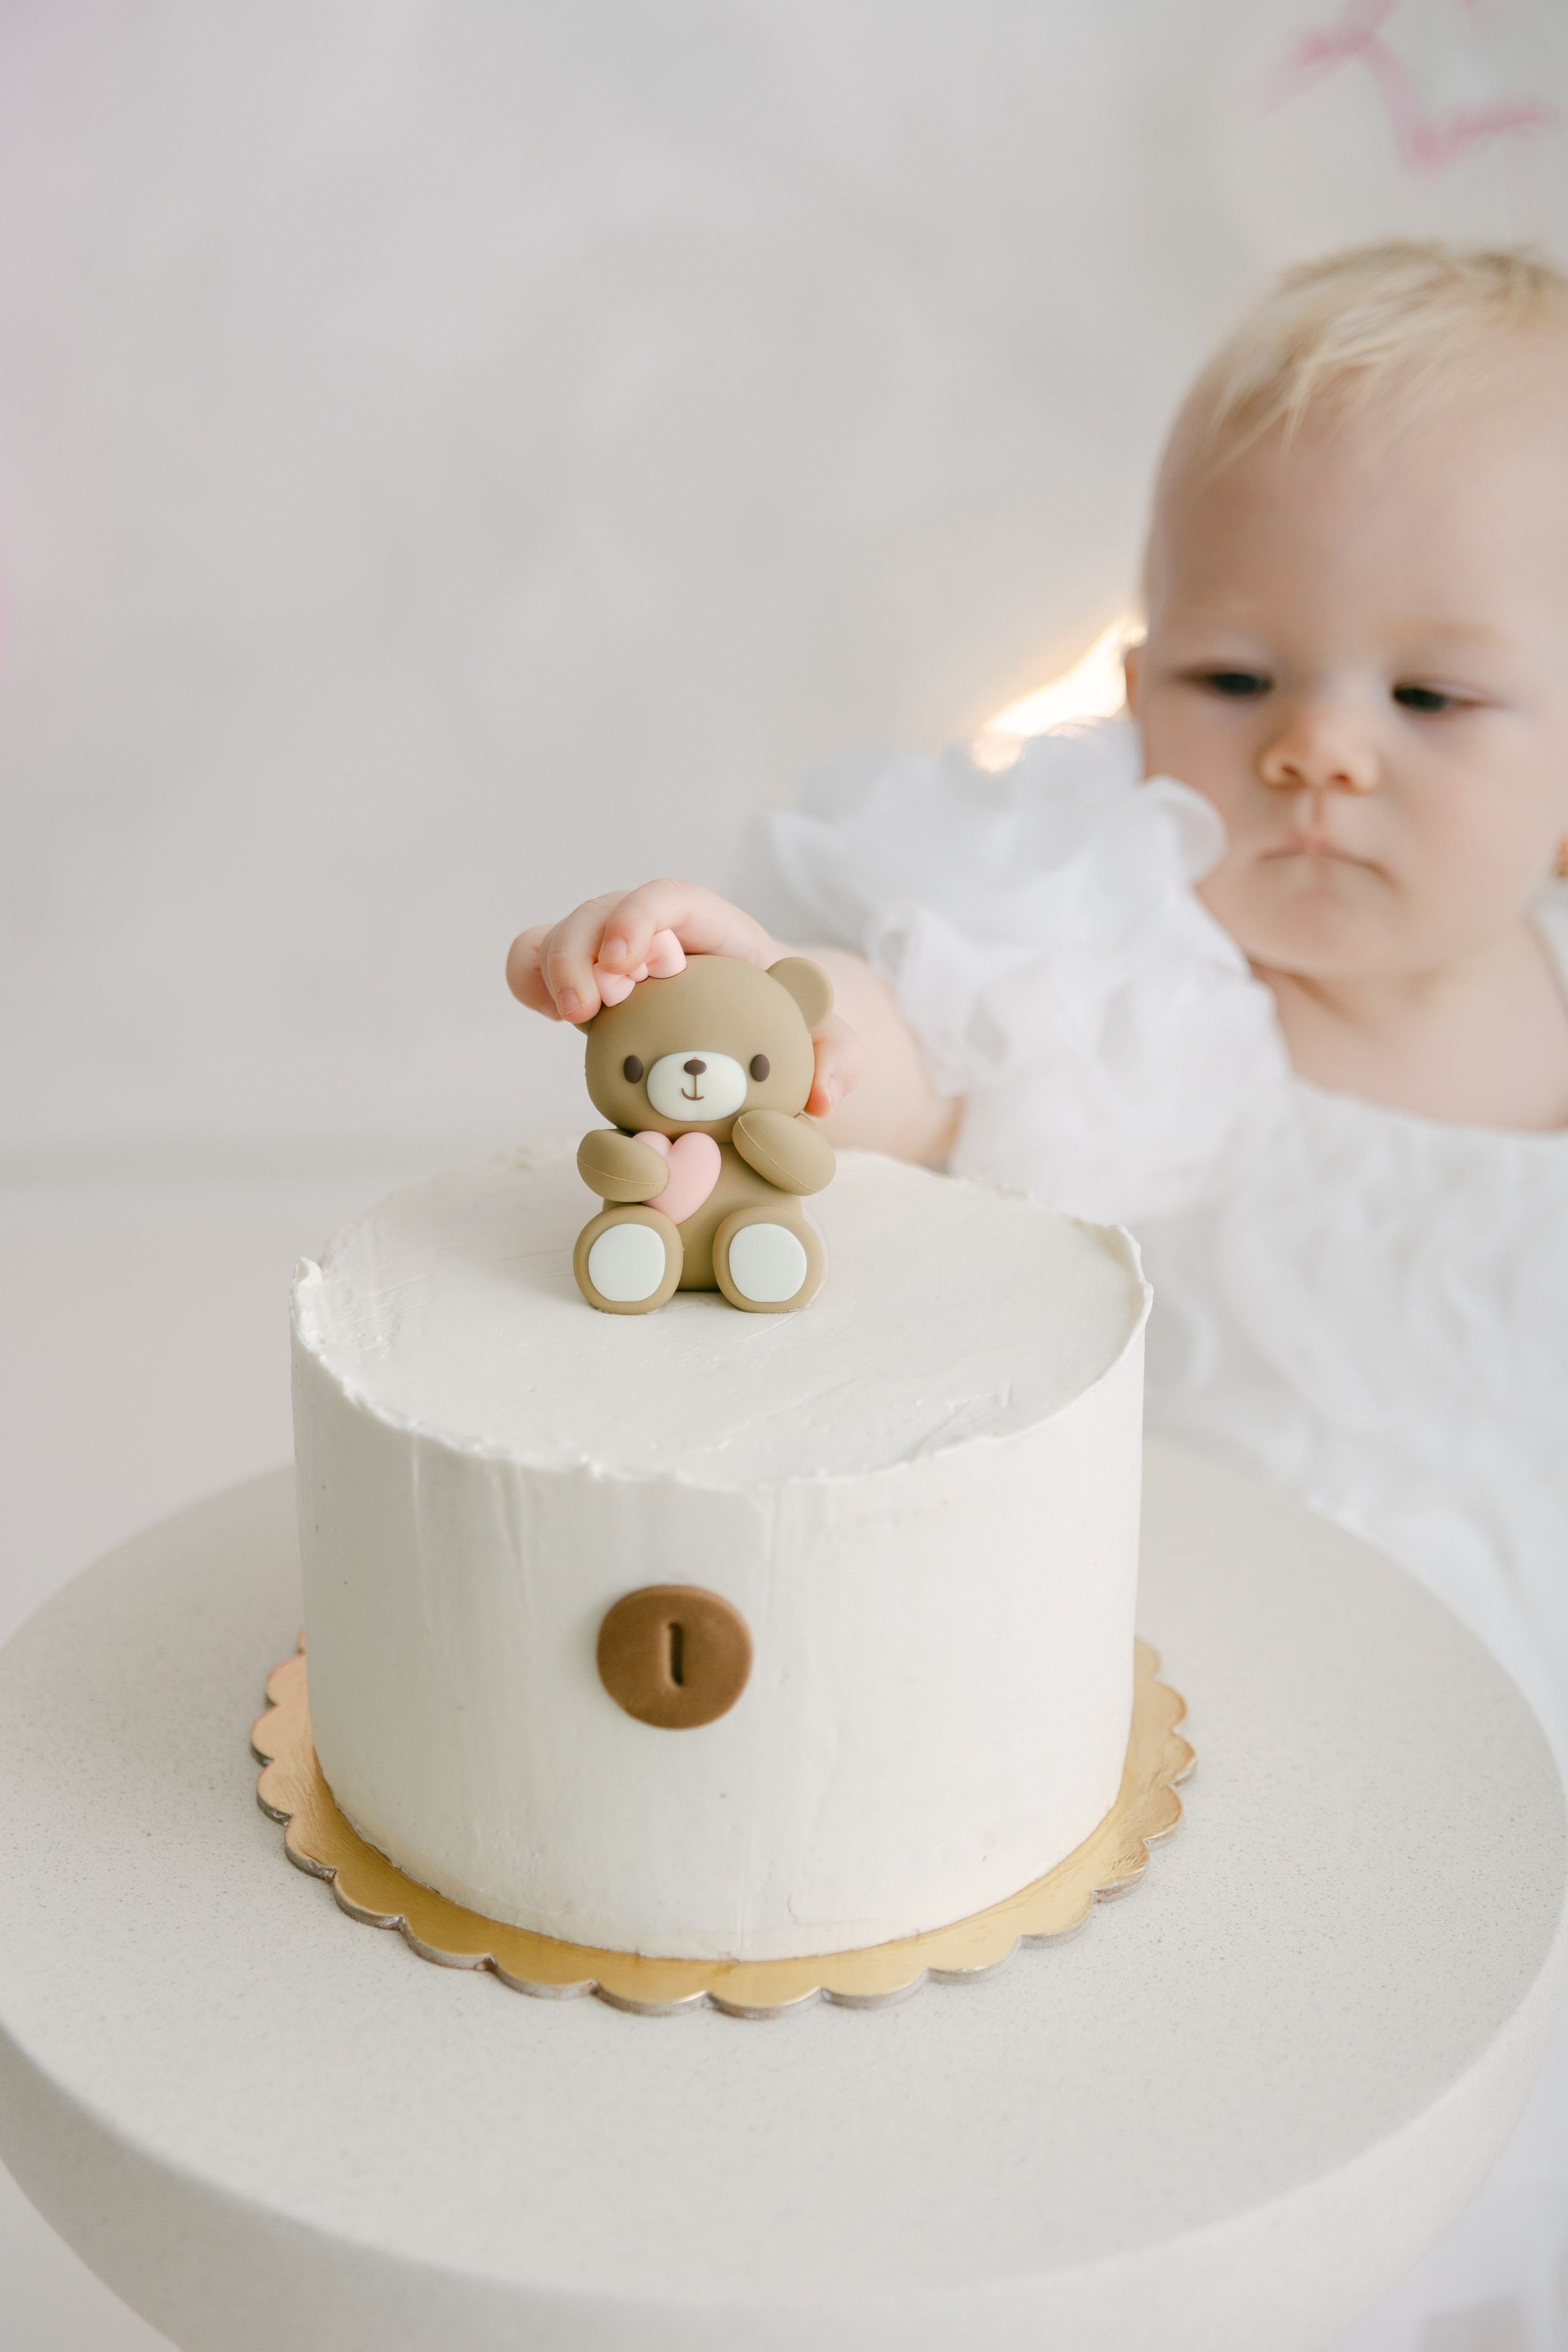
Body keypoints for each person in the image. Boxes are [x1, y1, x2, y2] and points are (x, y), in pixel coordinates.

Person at [508, 242, 1568, 2351]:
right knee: (1183, 2124)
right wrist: (770, 1012)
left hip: (1516, 1654)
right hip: (1204, 1638)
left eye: (1430, 696)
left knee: (1490, 2100)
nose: (1316, 757)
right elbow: (937, 1056)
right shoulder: (1157, 973)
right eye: (1234, 677)